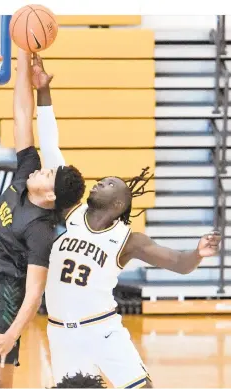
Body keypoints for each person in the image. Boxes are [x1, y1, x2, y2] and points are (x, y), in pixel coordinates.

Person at [31, 54, 222, 389]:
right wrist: (43, 94)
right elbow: (50, 148)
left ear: (119, 204)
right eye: (101, 180)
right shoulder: (70, 212)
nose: (99, 182)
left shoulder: (128, 240)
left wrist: (198, 254)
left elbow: (178, 263)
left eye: (108, 183)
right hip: (61, 331)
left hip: (102, 328)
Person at [0, 50, 85, 388]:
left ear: (51, 196)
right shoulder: (26, 175)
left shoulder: (40, 231)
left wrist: (12, 335)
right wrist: (23, 60)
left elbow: (34, 292)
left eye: (48, 174)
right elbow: (22, 115)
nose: (42, 170)